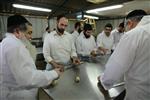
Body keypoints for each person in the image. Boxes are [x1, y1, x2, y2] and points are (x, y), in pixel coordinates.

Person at [0, 15, 62, 100]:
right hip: (18, 96)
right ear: (17, 32)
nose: (31, 37)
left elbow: (27, 70)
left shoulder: (7, 43)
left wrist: (45, 80)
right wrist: (53, 74)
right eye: (29, 33)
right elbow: (27, 78)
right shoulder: (13, 46)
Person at [98, 9, 149, 100]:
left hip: (139, 93)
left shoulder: (134, 34)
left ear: (129, 23)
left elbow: (116, 67)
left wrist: (103, 80)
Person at [43, 15, 80, 81]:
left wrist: (74, 57)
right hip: (53, 67)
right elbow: (46, 54)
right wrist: (55, 65)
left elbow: (73, 50)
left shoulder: (69, 36)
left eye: (65, 25)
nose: (63, 27)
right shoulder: (49, 37)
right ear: (57, 23)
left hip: (67, 66)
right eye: (61, 24)